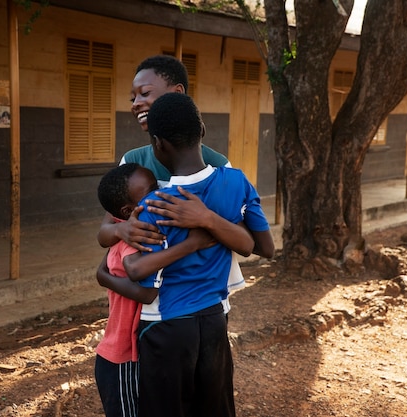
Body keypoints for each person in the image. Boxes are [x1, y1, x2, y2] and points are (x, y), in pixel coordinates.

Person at [124, 92, 270, 417]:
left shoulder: (155, 206)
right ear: (202, 129)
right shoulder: (237, 182)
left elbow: (144, 284)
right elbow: (264, 247)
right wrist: (212, 221)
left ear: (157, 145)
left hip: (165, 325)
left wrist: (112, 271)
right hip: (215, 319)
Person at [97, 54, 274, 312]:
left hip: (206, 300)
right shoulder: (133, 163)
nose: (136, 103)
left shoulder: (218, 167)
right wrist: (120, 231)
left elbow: (252, 242)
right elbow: (104, 232)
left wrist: (205, 219)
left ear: (177, 92)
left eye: (145, 93)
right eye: (132, 98)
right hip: (151, 307)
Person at [94, 162, 220, 417]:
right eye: (152, 190)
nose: (161, 191)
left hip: (132, 350)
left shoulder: (127, 232)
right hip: (123, 356)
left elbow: (104, 267)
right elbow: (146, 292)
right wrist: (191, 245)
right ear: (129, 210)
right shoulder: (136, 237)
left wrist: (102, 276)